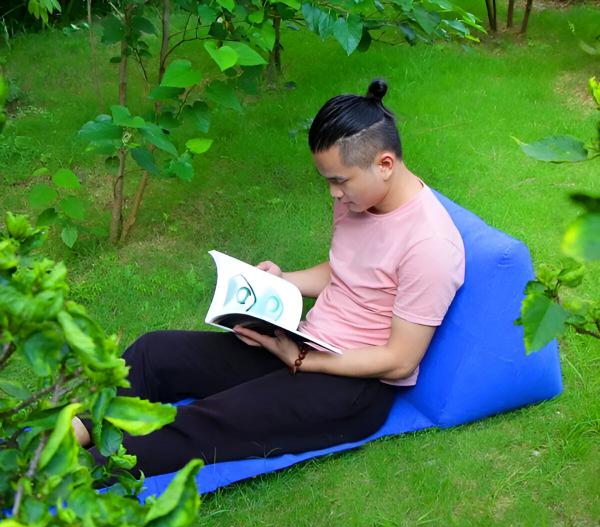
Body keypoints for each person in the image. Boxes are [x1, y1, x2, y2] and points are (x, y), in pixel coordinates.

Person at [72, 79, 465, 477]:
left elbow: (399, 361)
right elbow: (348, 269)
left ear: (384, 164)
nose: (333, 194)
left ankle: (69, 469)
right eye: (327, 180)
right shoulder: (359, 198)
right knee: (154, 353)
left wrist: (305, 361)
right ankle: (78, 428)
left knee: (204, 421)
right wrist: (282, 283)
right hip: (303, 342)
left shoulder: (430, 245)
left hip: (353, 388)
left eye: (339, 181)